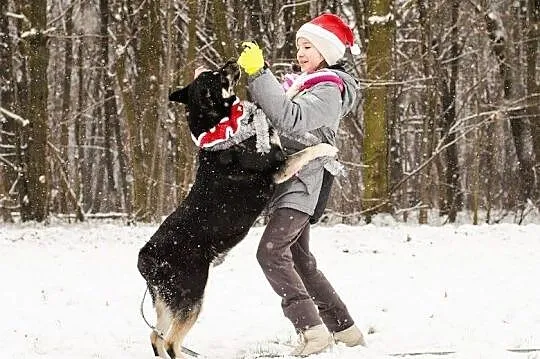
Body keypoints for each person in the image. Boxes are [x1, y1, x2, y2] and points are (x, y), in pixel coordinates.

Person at [237, 13, 366, 356]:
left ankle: (312, 331)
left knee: (270, 252)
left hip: (305, 182)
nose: (300, 52)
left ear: (328, 50)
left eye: (308, 45)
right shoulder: (302, 85)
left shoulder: (329, 89)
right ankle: (345, 330)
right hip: (290, 182)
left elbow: (290, 119)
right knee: (299, 258)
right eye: (298, 46)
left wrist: (259, 73)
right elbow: (271, 116)